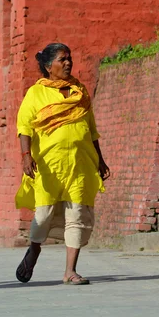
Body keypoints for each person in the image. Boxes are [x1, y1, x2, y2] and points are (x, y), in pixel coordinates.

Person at [15, 43, 110, 285]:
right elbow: (24, 127)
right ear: (48, 66)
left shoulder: (80, 91)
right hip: (48, 165)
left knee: (77, 214)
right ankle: (34, 249)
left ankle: (70, 271)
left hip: (80, 164)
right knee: (44, 214)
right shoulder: (36, 93)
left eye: (69, 58)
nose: (68, 63)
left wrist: (100, 159)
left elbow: (91, 130)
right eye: (62, 59)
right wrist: (26, 155)